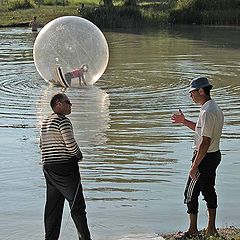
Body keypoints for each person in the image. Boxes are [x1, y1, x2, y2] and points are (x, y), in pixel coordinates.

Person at [171, 77, 224, 238]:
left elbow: (205, 142)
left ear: (201, 91)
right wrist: (184, 121)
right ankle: (211, 229)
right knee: (209, 190)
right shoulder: (212, 107)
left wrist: (194, 166)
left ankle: (193, 230)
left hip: (204, 158)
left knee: (189, 193)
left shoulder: (207, 111)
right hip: (214, 155)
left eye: (192, 92)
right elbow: (202, 131)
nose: (191, 96)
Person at [40, 93, 92, 240]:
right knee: (77, 206)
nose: (71, 105)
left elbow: (41, 145)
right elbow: (70, 144)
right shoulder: (63, 121)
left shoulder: (45, 122)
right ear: (58, 104)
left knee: (53, 207)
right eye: (68, 102)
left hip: (49, 168)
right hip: (65, 169)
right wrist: (79, 155)